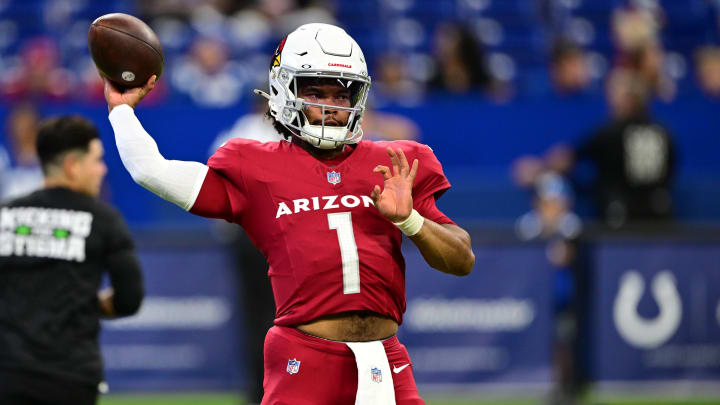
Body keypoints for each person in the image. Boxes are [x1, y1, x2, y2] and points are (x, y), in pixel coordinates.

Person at [105, 23, 475, 405]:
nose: (331, 106)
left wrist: (409, 220)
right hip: (305, 356)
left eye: (341, 94)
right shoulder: (254, 165)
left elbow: (462, 259)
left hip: (387, 357)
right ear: (285, 92)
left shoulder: (396, 163)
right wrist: (121, 111)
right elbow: (151, 170)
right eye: (316, 92)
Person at [0, 116, 144, 405]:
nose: (102, 169)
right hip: (71, 378)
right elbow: (129, 298)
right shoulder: (103, 220)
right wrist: (90, 304)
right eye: (97, 160)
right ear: (72, 166)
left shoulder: (5, 215)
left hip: (7, 374)